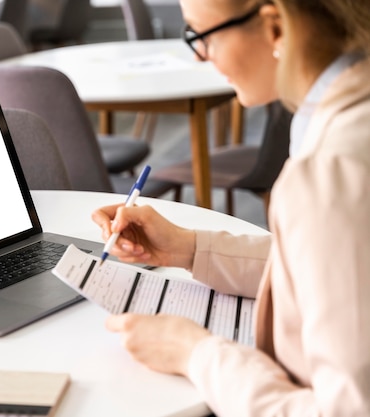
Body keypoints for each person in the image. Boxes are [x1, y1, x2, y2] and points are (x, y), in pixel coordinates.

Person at [92, 0, 370, 415]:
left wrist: (194, 353)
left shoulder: (330, 170)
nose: (200, 56)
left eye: (201, 36)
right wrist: (187, 247)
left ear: (275, 26)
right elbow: (335, 266)